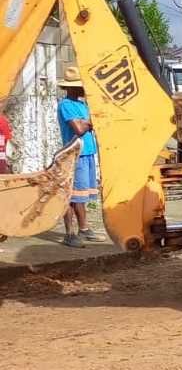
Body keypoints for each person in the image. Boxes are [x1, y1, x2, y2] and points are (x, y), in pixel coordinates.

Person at [57, 66, 101, 249]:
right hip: (76, 154)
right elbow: (79, 129)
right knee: (71, 195)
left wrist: (88, 123)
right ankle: (69, 233)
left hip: (88, 153)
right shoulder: (66, 105)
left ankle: (83, 228)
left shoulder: (82, 105)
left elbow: (90, 125)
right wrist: (89, 123)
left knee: (82, 195)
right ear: (72, 87)